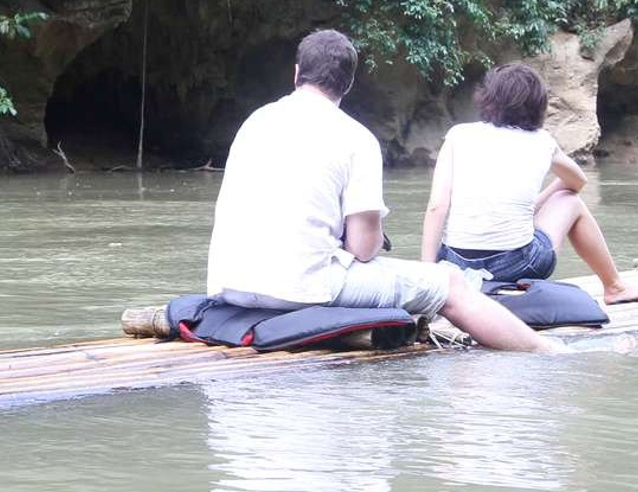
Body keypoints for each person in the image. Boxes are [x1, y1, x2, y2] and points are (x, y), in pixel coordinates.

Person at [206, 30, 561, 353]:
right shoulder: (355, 137)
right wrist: (373, 239)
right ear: (347, 85)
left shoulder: (253, 123)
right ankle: (551, 353)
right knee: (451, 282)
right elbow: (362, 249)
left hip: (229, 284)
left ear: (297, 73)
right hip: (300, 289)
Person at [419, 62, 638, 305]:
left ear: (488, 98)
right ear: (538, 105)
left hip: (456, 264)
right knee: (571, 202)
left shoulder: (459, 135)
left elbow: (437, 206)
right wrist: (543, 199)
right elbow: (577, 181)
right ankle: (614, 287)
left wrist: (428, 275)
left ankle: (614, 286)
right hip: (517, 264)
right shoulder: (542, 142)